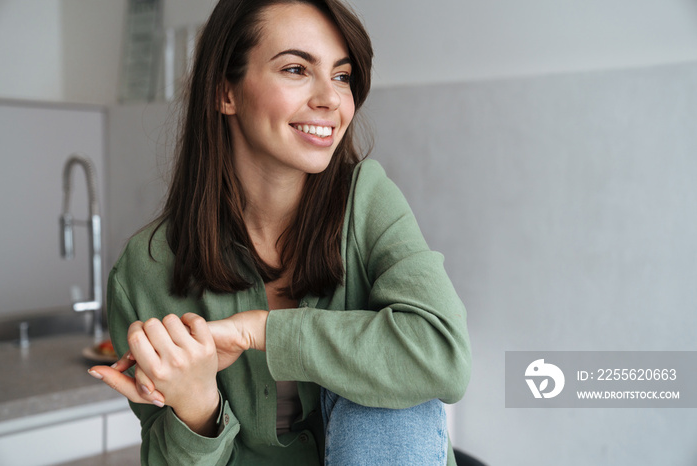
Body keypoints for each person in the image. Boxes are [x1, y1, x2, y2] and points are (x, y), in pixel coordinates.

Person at [89, 0, 471, 464]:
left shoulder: (367, 200)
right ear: (224, 92)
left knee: (388, 403)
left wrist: (257, 331)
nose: (330, 98)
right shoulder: (145, 270)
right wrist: (196, 409)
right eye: (296, 69)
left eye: (343, 75)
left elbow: (443, 357)